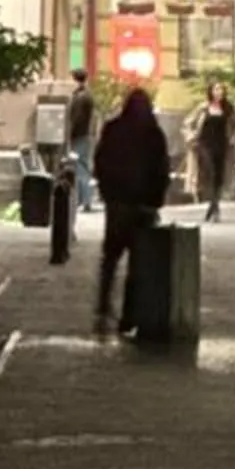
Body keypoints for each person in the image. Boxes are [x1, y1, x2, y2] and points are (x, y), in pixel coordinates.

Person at [92, 87, 170, 335]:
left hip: (118, 206)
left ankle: (104, 306)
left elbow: (100, 161)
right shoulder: (153, 133)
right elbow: (161, 169)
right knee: (138, 265)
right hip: (142, 207)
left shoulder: (113, 129)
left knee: (111, 259)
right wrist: (156, 201)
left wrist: (107, 193)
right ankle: (129, 316)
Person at [190, 80, 235, 224]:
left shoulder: (228, 109)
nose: (219, 92)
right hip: (205, 144)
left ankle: (213, 207)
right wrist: (192, 136)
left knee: (219, 176)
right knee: (210, 173)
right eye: (216, 89)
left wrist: (233, 138)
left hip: (222, 144)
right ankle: (215, 208)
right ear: (211, 91)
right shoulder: (203, 108)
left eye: (221, 89)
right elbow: (189, 123)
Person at [65, 74, 98, 219]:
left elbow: (77, 118)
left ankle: (85, 200)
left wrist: (70, 133)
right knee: (82, 164)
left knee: (80, 165)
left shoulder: (81, 97)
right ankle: (84, 199)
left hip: (80, 135)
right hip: (84, 135)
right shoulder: (86, 95)